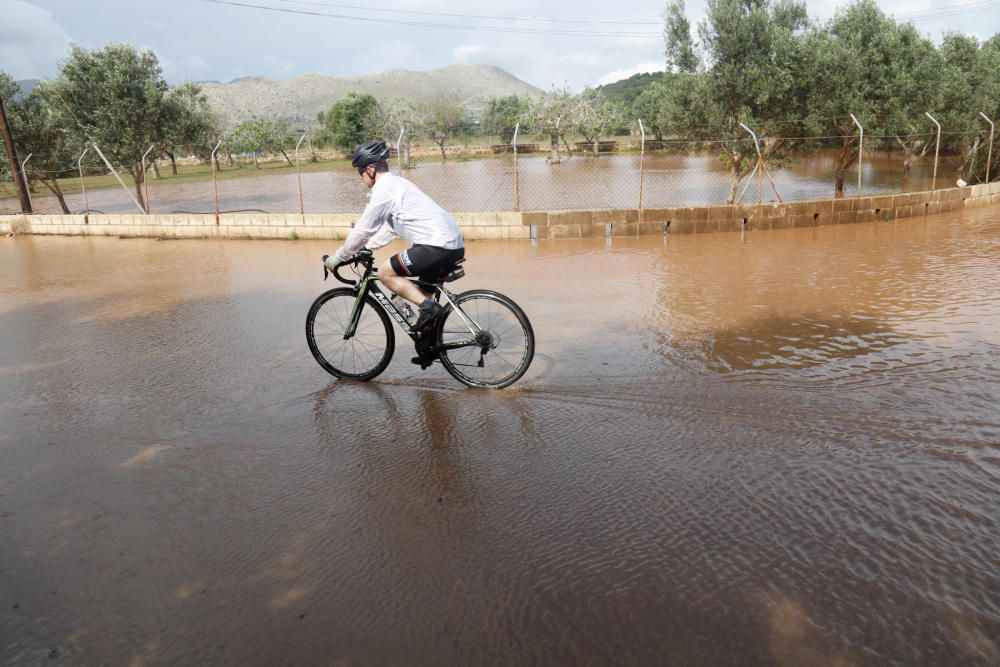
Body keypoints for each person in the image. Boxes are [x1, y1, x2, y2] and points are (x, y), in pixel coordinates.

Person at [324, 139, 465, 354]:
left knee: (385, 273)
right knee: (422, 294)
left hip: (435, 246)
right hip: (452, 245)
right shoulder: (400, 185)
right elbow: (388, 229)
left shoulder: (384, 190)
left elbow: (363, 229)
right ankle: (429, 347)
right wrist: (367, 248)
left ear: (370, 170)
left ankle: (430, 309)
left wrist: (340, 256)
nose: (361, 178)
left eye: (360, 172)